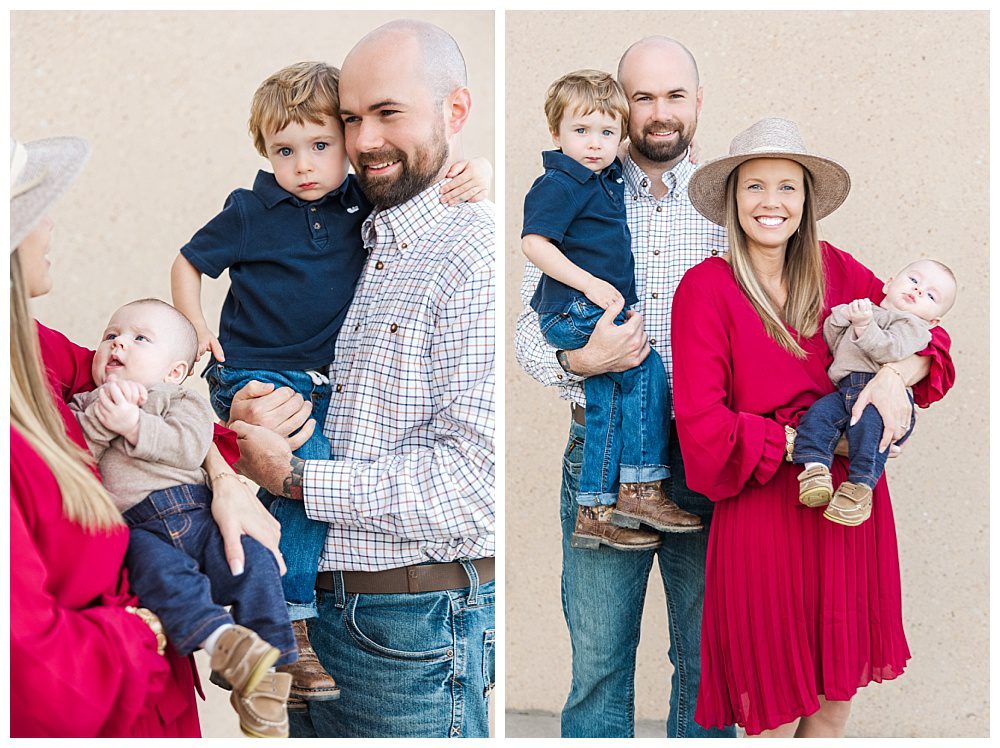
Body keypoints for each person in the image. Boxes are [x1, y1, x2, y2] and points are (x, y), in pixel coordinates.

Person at [170, 61, 491, 702]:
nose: (306, 164)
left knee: (282, 487)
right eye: (286, 151)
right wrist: (193, 327)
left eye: (323, 144)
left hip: (314, 383)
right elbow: (188, 261)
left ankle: (253, 624)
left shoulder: (359, 205)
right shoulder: (252, 210)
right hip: (254, 372)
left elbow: (421, 181)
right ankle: (284, 626)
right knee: (290, 477)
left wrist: (478, 172)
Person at [673, 117, 955, 737]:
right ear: (731, 198)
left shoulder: (839, 271)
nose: (771, 203)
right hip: (764, 511)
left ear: (806, 200)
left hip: (847, 515)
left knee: (832, 708)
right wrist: (803, 443)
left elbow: (930, 340)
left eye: (787, 187)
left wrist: (892, 377)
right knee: (769, 714)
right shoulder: (705, 289)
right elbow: (700, 422)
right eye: (754, 187)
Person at [10, 135, 282, 737]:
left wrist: (222, 477)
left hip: (153, 705)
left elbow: (156, 389)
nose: (49, 221)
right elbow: (31, 673)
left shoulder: (32, 349)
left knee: (252, 561)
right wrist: (155, 624)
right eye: (33, 206)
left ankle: (277, 665)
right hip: (105, 707)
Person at [514, 37, 733, 738]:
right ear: (620, 104)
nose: (659, 112)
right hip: (603, 456)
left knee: (706, 665)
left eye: (675, 96)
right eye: (642, 97)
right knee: (601, 666)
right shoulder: (582, 188)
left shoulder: (733, 203)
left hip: (706, 457)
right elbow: (527, 332)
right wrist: (583, 361)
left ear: (697, 104)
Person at [68, 298, 298, 738]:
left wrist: (134, 423)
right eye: (110, 336)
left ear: (174, 371)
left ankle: (270, 677)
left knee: (255, 561)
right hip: (137, 529)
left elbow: (190, 447)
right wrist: (102, 417)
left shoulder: (181, 401)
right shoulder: (85, 404)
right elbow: (74, 458)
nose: (119, 344)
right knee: (162, 579)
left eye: (139, 339)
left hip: (198, 513)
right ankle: (224, 644)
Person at [521, 68, 701, 552]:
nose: (595, 143)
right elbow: (534, 243)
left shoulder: (606, 177)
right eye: (580, 132)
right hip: (576, 308)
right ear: (555, 133)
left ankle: (596, 511)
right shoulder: (562, 181)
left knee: (609, 398)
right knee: (644, 368)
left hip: (691, 439)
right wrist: (590, 286)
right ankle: (640, 488)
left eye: (606, 133)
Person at [793, 260, 957, 525]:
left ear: (934, 320)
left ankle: (859, 488)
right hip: (846, 389)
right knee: (818, 416)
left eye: (930, 295)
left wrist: (863, 326)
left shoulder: (915, 328)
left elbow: (888, 350)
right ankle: (815, 470)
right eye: (914, 281)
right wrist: (843, 317)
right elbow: (833, 340)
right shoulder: (868, 311)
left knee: (869, 433)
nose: (917, 291)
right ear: (889, 283)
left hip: (883, 400)